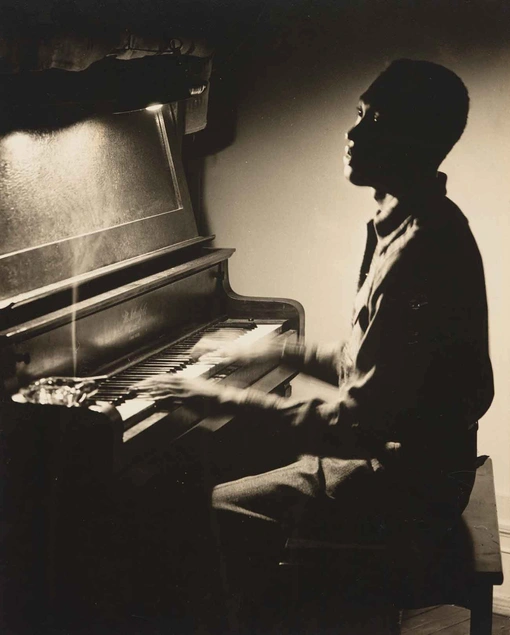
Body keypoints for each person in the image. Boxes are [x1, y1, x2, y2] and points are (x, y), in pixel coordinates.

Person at [133, 59, 494, 630]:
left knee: (214, 504)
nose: (352, 133)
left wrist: (217, 399)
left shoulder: (420, 250)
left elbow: (358, 424)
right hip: (421, 467)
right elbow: (367, 365)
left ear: (418, 140)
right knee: (239, 457)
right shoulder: (405, 219)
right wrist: (273, 351)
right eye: (358, 113)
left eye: (375, 120)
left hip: (406, 489)